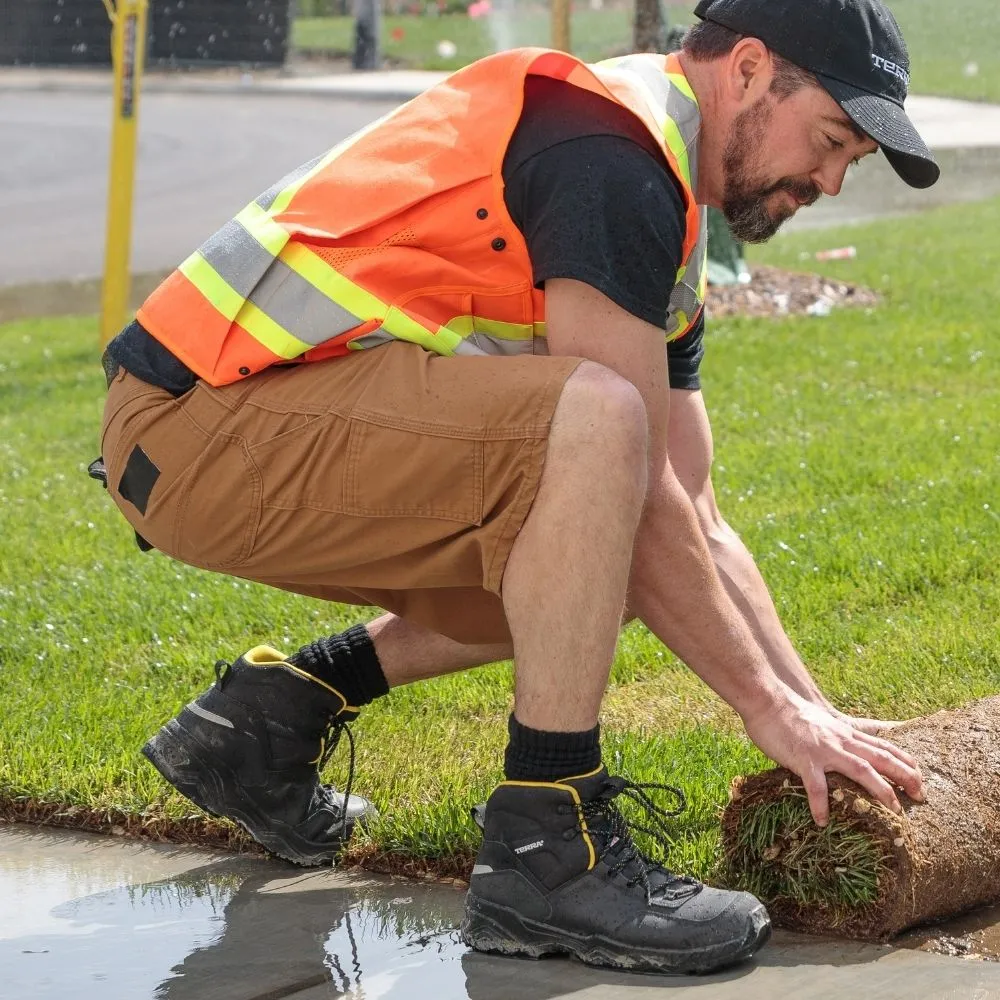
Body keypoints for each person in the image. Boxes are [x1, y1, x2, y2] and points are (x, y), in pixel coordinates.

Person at [95, 0, 938, 976]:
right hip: (191, 426)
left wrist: (814, 714)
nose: (830, 181)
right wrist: (767, 709)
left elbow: (691, 514)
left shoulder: (659, 210)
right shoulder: (609, 156)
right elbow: (636, 471)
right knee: (604, 425)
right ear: (748, 69)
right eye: (831, 141)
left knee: (606, 565)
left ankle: (276, 713)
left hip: (246, 431)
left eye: (850, 164)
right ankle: (548, 841)